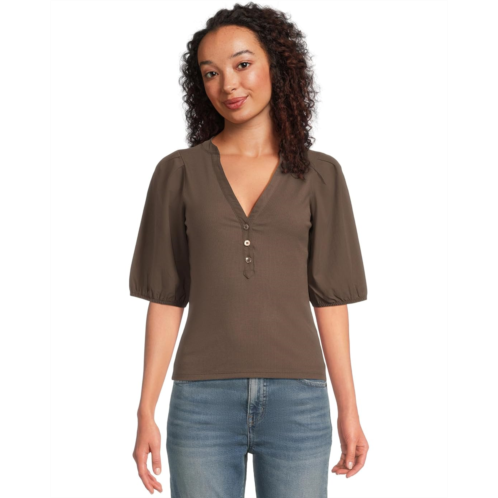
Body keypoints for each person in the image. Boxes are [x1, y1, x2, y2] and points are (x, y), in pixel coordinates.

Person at [129, 3, 369, 496]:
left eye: (242, 64)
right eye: (211, 73)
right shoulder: (178, 172)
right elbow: (166, 299)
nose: (228, 85)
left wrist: (349, 409)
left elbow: (330, 302)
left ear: (276, 65)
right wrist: (145, 410)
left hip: (298, 401)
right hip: (200, 402)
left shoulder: (321, 174)